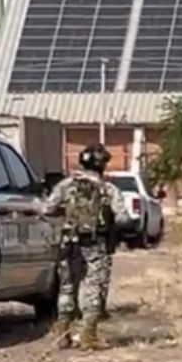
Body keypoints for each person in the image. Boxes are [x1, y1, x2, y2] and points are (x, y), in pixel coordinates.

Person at [40, 143, 132, 350]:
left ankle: (62, 334)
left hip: (69, 242)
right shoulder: (107, 188)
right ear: (103, 165)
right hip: (95, 244)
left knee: (66, 287)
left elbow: (47, 209)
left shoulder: (66, 185)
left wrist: (66, 216)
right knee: (93, 287)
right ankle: (88, 336)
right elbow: (123, 218)